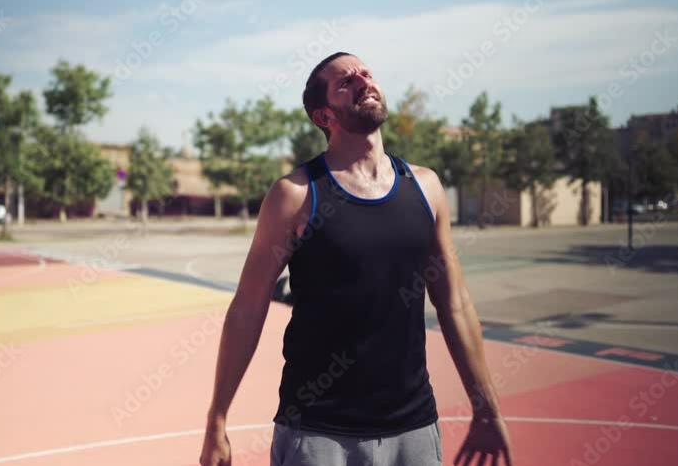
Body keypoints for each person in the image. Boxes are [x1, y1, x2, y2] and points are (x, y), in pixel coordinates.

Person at [199, 52, 513, 466]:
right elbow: (248, 307)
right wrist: (216, 419)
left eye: (366, 73)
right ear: (323, 115)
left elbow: (454, 303)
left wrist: (486, 406)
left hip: (414, 429)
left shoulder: (425, 187)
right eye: (346, 82)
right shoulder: (294, 195)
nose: (363, 81)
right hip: (318, 434)